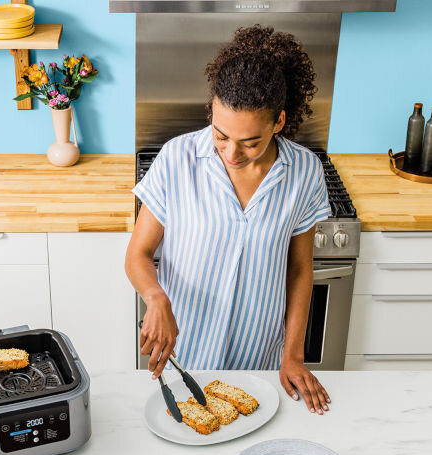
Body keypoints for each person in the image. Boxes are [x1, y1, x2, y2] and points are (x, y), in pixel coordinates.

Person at [125, 25, 332, 415]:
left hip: (262, 360)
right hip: (183, 355)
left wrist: (293, 354)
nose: (232, 152)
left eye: (250, 142)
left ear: (279, 121)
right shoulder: (177, 159)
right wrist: (156, 299)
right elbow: (138, 253)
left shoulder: (304, 172)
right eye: (221, 135)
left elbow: (301, 270)